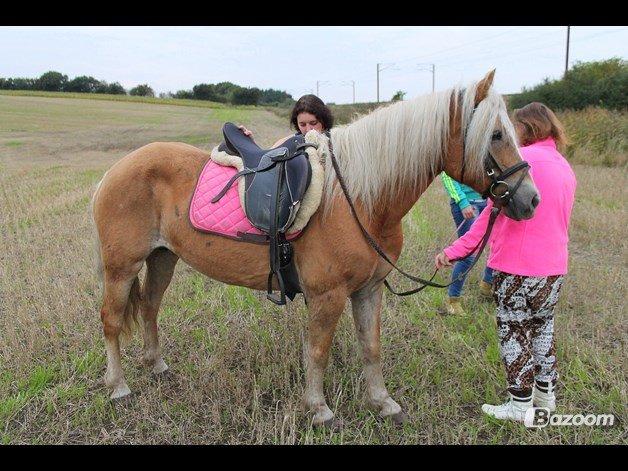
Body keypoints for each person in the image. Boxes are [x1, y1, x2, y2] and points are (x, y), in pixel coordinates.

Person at [435, 102, 577, 422]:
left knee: (514, 332)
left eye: (517, 128)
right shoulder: (564, 165)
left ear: (526, 128)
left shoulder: (521, 164)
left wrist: (453, 251)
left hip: (517, 267)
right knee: (542, 329)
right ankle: (545, 395)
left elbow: (487, 218)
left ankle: (519, 404)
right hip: (554, 269)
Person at [440, 172, 494, 315]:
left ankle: (486, 285)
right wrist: (463, 202)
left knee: (496, 245)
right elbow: (447, 175)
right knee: (468, 254)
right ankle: (453, 301)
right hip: (467, 205)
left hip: (488, 202)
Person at [237, 94, 334, 148]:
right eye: (302, 124)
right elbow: (265, 157)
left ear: (324, 120)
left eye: (313, 123)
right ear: (297, 123)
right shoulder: (289, 141)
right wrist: (250, 143)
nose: (308, 129)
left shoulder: (336, 143)